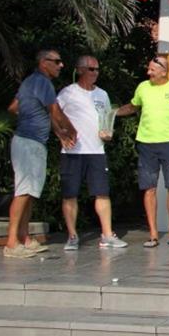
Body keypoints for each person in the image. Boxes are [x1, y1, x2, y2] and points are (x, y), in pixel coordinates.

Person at [5, 50, 76, 258]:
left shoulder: (30, 82)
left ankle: (25, 238)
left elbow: (14, 107)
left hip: (29, 141)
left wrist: (54, 129)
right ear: (44, 63)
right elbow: (55, 111)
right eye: (56, 61)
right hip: (29, 143)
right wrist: (71, 130)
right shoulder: (43, 82)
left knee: (30, 192)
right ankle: (11, 242)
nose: (61, 65)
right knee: (24, 192)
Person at [57, 55, 127, 250]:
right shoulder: (68, 93)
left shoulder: (102, 94)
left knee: (102, 193)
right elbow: (53, 114)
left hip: (96, 150)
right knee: (70, 194)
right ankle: (72, 236)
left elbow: (106, 119)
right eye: (91, 69)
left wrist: (108, 133)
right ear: (80, 70)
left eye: (97, 69)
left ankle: (107, 235)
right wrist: (61, 134)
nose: (95, 73)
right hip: (73, 151)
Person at [117, 56, 169, 248]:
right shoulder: (143, 87)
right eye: (148, 69)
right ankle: (153, 234)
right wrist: (113, 113)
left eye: (152, 70)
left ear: (164, 71)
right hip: (146, 143)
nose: (148, 73)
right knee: (149, 188)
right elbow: (132, 106)